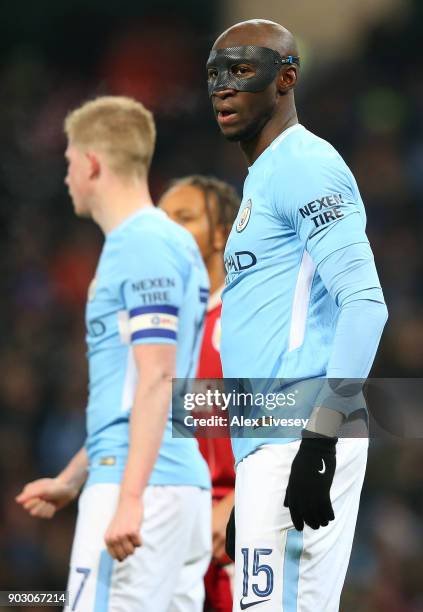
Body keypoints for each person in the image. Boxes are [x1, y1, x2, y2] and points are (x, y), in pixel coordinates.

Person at [206, 19, 388, 612]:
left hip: (303, 431)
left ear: (286, 78)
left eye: (240, 70)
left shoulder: (306, 165)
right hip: (272, 441)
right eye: (214, 75)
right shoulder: (265, 178)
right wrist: (247, 469)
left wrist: (321, 437)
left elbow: (365, 303)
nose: (223, 89)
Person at [16, 96, 211, 611]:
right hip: (172, 486)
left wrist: (127, 498)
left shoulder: (139, 245)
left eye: (68, 163)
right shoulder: (170, 242)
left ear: (93, 163)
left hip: (141, 487)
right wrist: (71, 479)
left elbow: (156, 377)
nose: (66, 178)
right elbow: (137, 392)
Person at [160, 175, 239, 612]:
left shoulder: (243, 317)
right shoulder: (169, 333)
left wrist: (238, 498)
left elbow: (299, 415)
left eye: (184, 218)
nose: (166, 230)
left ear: (222, 235)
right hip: (184, 530)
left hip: (239, 526)